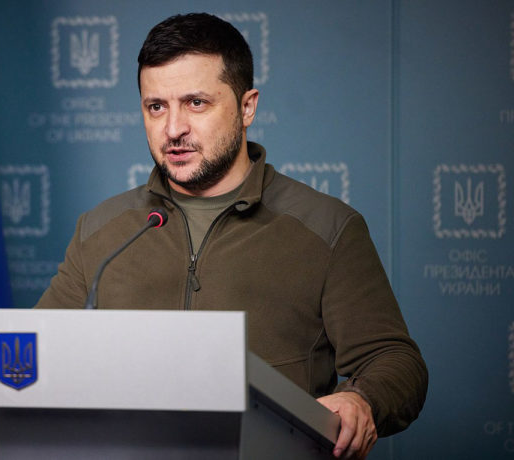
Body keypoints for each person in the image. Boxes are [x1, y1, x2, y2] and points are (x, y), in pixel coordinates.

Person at [36, 13, 427, 459]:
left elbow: (396, 362)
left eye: (196, 103)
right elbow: (40, 354)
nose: (173, 129)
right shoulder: (101, 231)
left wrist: (362, 399)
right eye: (156, 107)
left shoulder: (327, 227)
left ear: (247, 108)